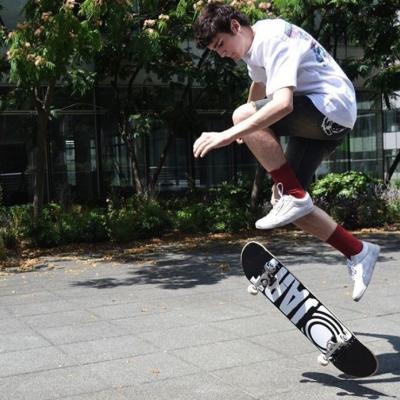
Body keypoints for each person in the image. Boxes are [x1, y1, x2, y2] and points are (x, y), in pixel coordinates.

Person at [192, 3, 380, 302]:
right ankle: (358, 252)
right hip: (322, 119)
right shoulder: (252, 50)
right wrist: (247, 128)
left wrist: (233, 130)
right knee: (290, 205)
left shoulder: (273, 38)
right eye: (216, 50)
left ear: (236, 27)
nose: (222, 53)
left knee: (244, 119)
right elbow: (259, 85)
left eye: (221, 44)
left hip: (330, 108)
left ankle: (293, 193)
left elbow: (283, 104)